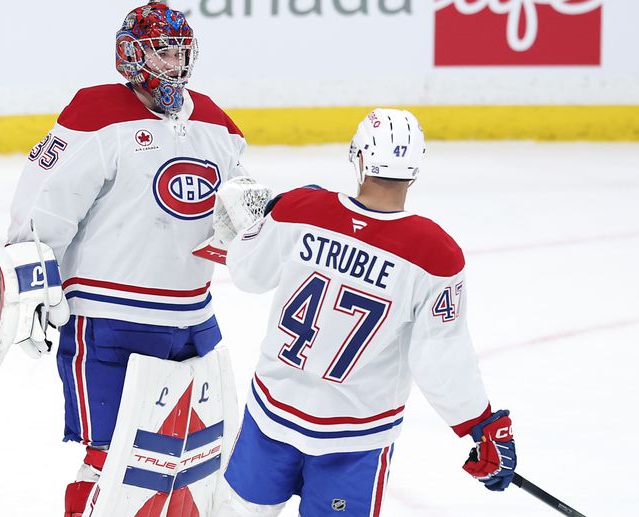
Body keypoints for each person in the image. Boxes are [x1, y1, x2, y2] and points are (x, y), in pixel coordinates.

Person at [0, 0, 248, 517]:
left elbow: (233, 212)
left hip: (194, 318)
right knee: (109, 459)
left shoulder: (219, 126)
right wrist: (30, 281)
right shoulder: (96, 113)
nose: (174, 67)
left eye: (181, 54)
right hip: (109, 318)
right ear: (131, 56)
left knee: (194, 457)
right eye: (161, 54)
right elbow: (45, 202)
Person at [216, 109, 517, 516]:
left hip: (271, 415)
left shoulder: (302, 210)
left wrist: (265, 221)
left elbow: (248, 273)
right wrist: (478, 424)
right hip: (355, 438)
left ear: (358, 157)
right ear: (415, 169)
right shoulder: (434, 254)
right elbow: (439, 356)